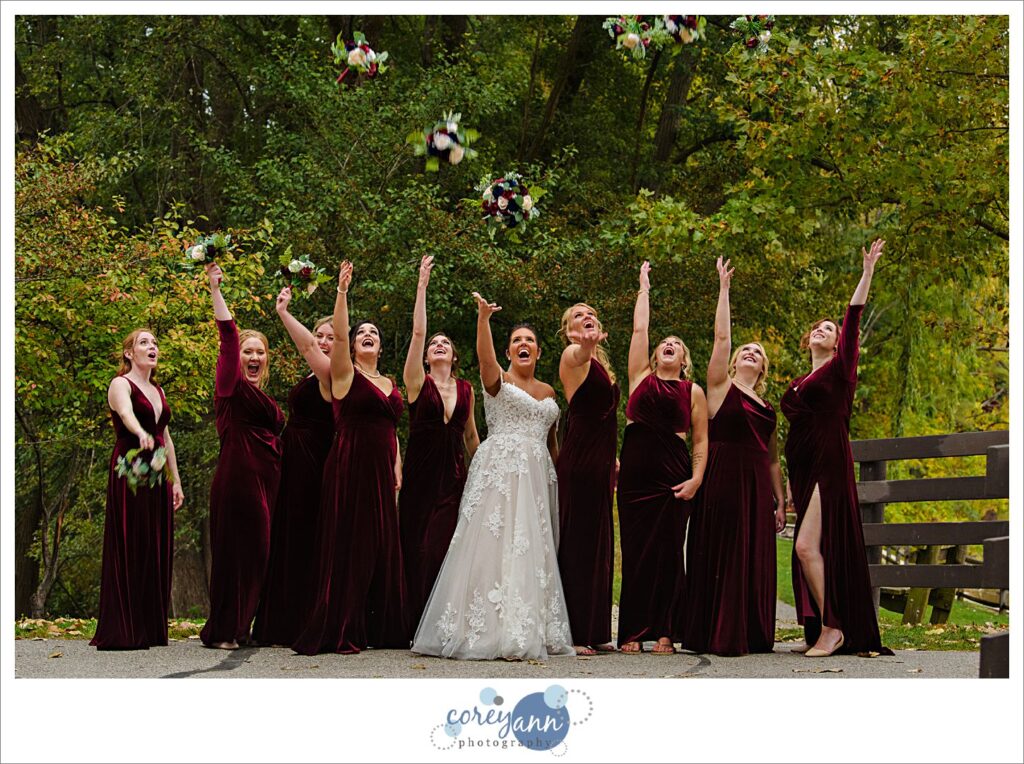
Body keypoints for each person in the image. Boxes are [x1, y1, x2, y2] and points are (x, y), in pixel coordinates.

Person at [411, 293, 574, 661]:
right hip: (501, 471)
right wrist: (483, 319)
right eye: (516, 340)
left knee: (531, 549)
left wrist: (562, 477)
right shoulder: (497, 379)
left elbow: (552, 444)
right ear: (508, 351)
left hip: (537, 478)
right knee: (492, 546)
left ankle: (528, 626)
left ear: (538, 352)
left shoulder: (549, 392)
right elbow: (485, 358)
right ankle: (486, 629)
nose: (523, 344)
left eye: (529, 340)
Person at [782, 238, 892, 657]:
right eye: (817, 328)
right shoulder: (798, 382)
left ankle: (834, 627)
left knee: (805, 546)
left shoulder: (841, 370)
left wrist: (867, 273)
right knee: (814, 547)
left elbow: (853, 316)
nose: (821, 330)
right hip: (804, 468)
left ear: (838, 342)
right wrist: (789, 482)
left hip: (828, 463)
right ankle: (822, 626)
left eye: (828, 329)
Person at [293, 261, 407, 655]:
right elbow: (337, 336)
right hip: (350, 463)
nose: (368, 335)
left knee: (380, 543)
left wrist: (397, 462)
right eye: (362, 333)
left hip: (381, 467)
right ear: (354, 346)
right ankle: (344, 624)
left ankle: (381, 628)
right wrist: (342, 292)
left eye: (374, 332)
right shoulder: (345, 374)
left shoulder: (390, 383)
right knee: (352, 542)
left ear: (381, 345)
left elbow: (391, 428)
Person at [678, 257, 785, 656]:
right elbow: (721, 338)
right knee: (725, 550)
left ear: (763, 369)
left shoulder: (768, 408)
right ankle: (718, 632)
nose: (751, 353)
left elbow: (772, 459)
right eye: (746, 350)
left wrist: (780, 501)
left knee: (753, 554)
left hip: (757, 488)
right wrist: (724, 290)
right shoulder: (720, 387)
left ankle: (751, 632)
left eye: (758, 352)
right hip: (723, 478)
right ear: (735, 361)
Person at [617, 260, 708, 655]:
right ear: (655, 354)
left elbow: (700, 440)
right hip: (635, 478)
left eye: (677, 344)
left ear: (683, 359)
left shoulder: (693, 391)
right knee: (636, 552)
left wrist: (697, 479)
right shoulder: (640, 376)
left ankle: (667, 631)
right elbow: (640, 329)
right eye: (664, 342)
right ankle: (632, 632)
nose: (669, 344)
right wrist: (644, 288)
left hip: (673, 476)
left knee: (670, 554)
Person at [199, 263, 284, 650]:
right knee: (236, 554)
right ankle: (222, 630)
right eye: (248, 351)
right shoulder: (230, 386)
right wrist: (216, 290)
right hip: (238, 480)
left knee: (258, 554)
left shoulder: (264, 396)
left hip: (267, 483)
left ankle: (240, 625)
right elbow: (228, 337)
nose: (254, 356)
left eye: (260, 352)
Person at [399, 256, 480, 632]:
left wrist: (486, 472)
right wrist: (422, 287)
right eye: (434, 343)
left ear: (454, 355)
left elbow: (471, 437)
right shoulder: (417, 381)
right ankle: (412, 624)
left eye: (445, 343)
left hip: (452, 479)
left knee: (443, 547)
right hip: (419, 476)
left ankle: (441, 624)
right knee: (415, 546)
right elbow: (418, 334)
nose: (438, 345)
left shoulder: (466, 389)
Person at [252, 289, 335, 646]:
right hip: (292, 458)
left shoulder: (334, 375)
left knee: (305, 534)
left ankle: (301, 621)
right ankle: (278, 621)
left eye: (332, 337)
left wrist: (284, 313)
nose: (323, 342)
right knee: (287, 534)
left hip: (315, 460)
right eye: (320, 335)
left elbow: (307, 348)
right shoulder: (311, 378)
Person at [91, 330, 184, 650]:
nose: (152, 347)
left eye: (154, 343)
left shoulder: (158, 390)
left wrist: (176, 480)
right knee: (132, 538)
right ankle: (125, 627)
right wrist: (140, 431)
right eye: (144, 343)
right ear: (129, 353)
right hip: (130, 466)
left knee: (155, 542)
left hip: (157, 471)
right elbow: (126, 413)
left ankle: (149, 626)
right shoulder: (121, 384)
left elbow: (166, 438)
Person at [556, 302, 620, 656]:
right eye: (579, 315)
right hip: (580, 461)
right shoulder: (573, 355)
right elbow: (580, 354)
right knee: (579, 543)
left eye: (591, 313)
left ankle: (597, 629)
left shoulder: (601, 365)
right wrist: (586, 344)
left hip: (601, 463)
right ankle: (575, 633)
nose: (587, 316)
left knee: (600, 544)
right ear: (569, 330)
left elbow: (605, 414)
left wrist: (614, 456)